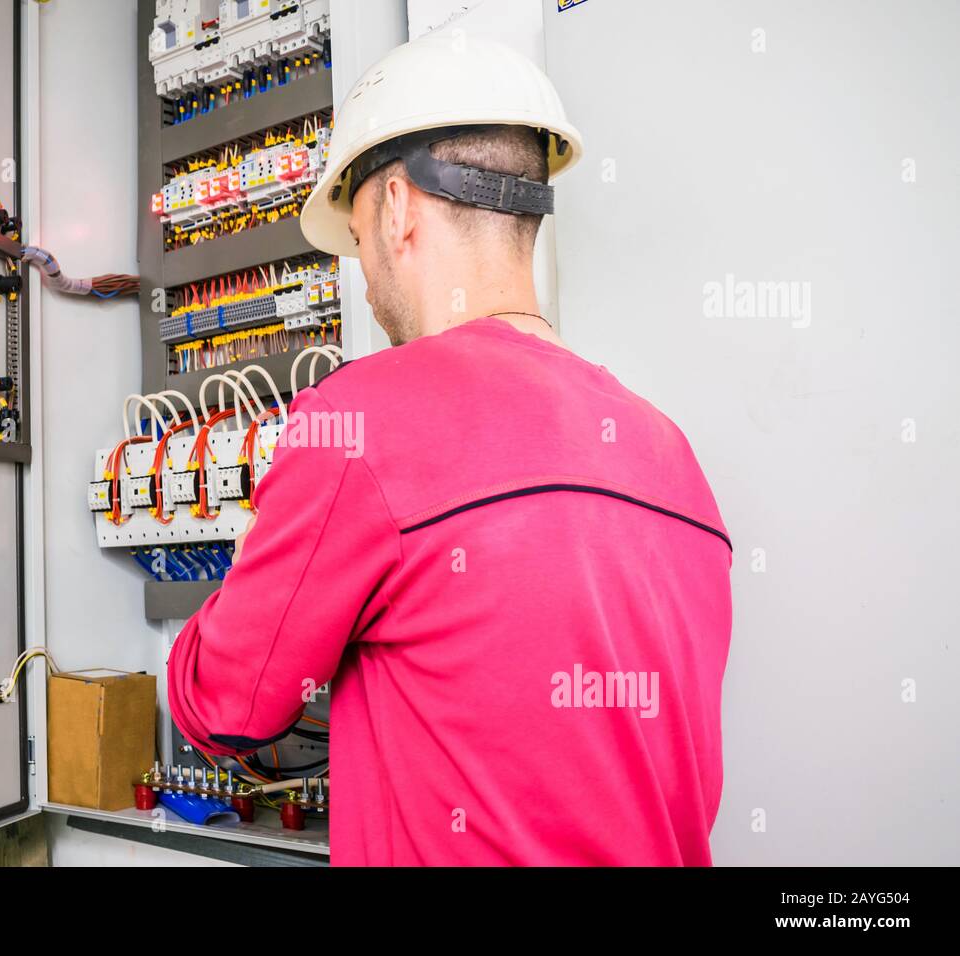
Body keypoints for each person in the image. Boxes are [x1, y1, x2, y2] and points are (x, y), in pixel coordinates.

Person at [167, 33, 732, 865]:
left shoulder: (357, 424)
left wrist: (251, 575)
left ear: (396, 209)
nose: (363, 277)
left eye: (357, 240)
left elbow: (222, 709)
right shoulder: (672, 456)